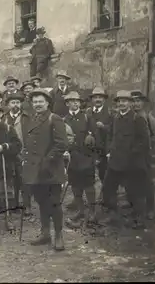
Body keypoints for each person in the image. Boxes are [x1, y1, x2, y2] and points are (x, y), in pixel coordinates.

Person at [22, 89, 68, 251]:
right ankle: (45, 233)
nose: (37, 104)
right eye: (35, 102)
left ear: (47, 102)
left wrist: (47, 162)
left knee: (54, 203)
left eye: (40, 101)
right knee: (41, 202)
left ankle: (59, 235)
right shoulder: (32, 119)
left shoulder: (54, 119)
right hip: (35, 170)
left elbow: (61, 144)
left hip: (51, 170)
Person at [101, 91, 151, 229]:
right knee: (108, 189)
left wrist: (130, 154)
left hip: (131, 163)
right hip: (115, 162)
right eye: (119, 101)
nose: (122, 104)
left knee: (134, 191)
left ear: (130, 103)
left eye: (125, 101)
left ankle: (138, 219)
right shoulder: (116, 117)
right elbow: (110, 135)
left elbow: (144, 142)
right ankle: (113, 215)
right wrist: (109, 150)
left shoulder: (137, 118)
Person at [62, 92, 98, 228]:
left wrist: (95, 155)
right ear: (67, 104)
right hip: (72, 158)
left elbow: (96, 136)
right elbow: (61, 138)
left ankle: (93, 212)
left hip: (86, 157)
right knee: (76, 186)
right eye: (72, 101)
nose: (75, 103)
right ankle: (81, 211)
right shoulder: (64, 120)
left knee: (89, 185)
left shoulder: (87, 117)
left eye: (77, 101)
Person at [3, 93, 32, 218]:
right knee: (11, 178)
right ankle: (14, 203)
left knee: (24, 179)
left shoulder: (27, 117)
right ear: (8, 105)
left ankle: (27, 205)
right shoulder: (3, 118)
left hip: (23, 152)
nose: (15, 105)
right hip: (9, 153)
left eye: (17, 102)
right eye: (13, 103)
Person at [131, 90, 155, 220]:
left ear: (143, 103)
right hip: (133, 155)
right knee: (134, 182)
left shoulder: (148, 117)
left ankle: (150, 208)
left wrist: (147, 145)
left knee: (147, 182)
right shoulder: (131, 116)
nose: (135, 104)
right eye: (133, 101)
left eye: (138, 101)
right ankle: (137, 208)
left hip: (146, 155)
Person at [85, 87, 112, 206]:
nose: (98, 99)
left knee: (104, 174)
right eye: (95, 97)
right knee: (89, 174)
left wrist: (104, 127)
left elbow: (115, 130)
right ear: (92, 99)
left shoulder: (110, 113)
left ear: (104, 100)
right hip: (90, 149)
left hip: (104, 150)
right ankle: (90, 200)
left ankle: (106, 199)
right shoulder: (88, 112)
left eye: (100, 97)